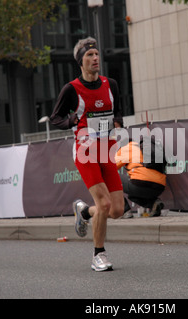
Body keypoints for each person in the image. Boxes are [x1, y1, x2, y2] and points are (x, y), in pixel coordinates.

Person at [50, 37, 124, 271]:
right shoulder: (71, 89)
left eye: (96, 55)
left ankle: (83, 211)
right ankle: (98, 255)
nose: (94, 59)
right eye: (89, 56)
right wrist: (70, 120)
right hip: (85, 152)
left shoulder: (110, 83)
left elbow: (117, 112)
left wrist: (118, 125)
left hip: (107, 149)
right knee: (103, 204)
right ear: (80, 62)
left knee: (117, 210)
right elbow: (55, 118)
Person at [116, 136, 166, 218]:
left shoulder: (127, 147)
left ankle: (124, 210)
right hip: (159, 186)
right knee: (132, 196)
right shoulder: (142, 149)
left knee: (109, 178)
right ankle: (154, 203)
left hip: (140, 183)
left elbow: (110, 167)